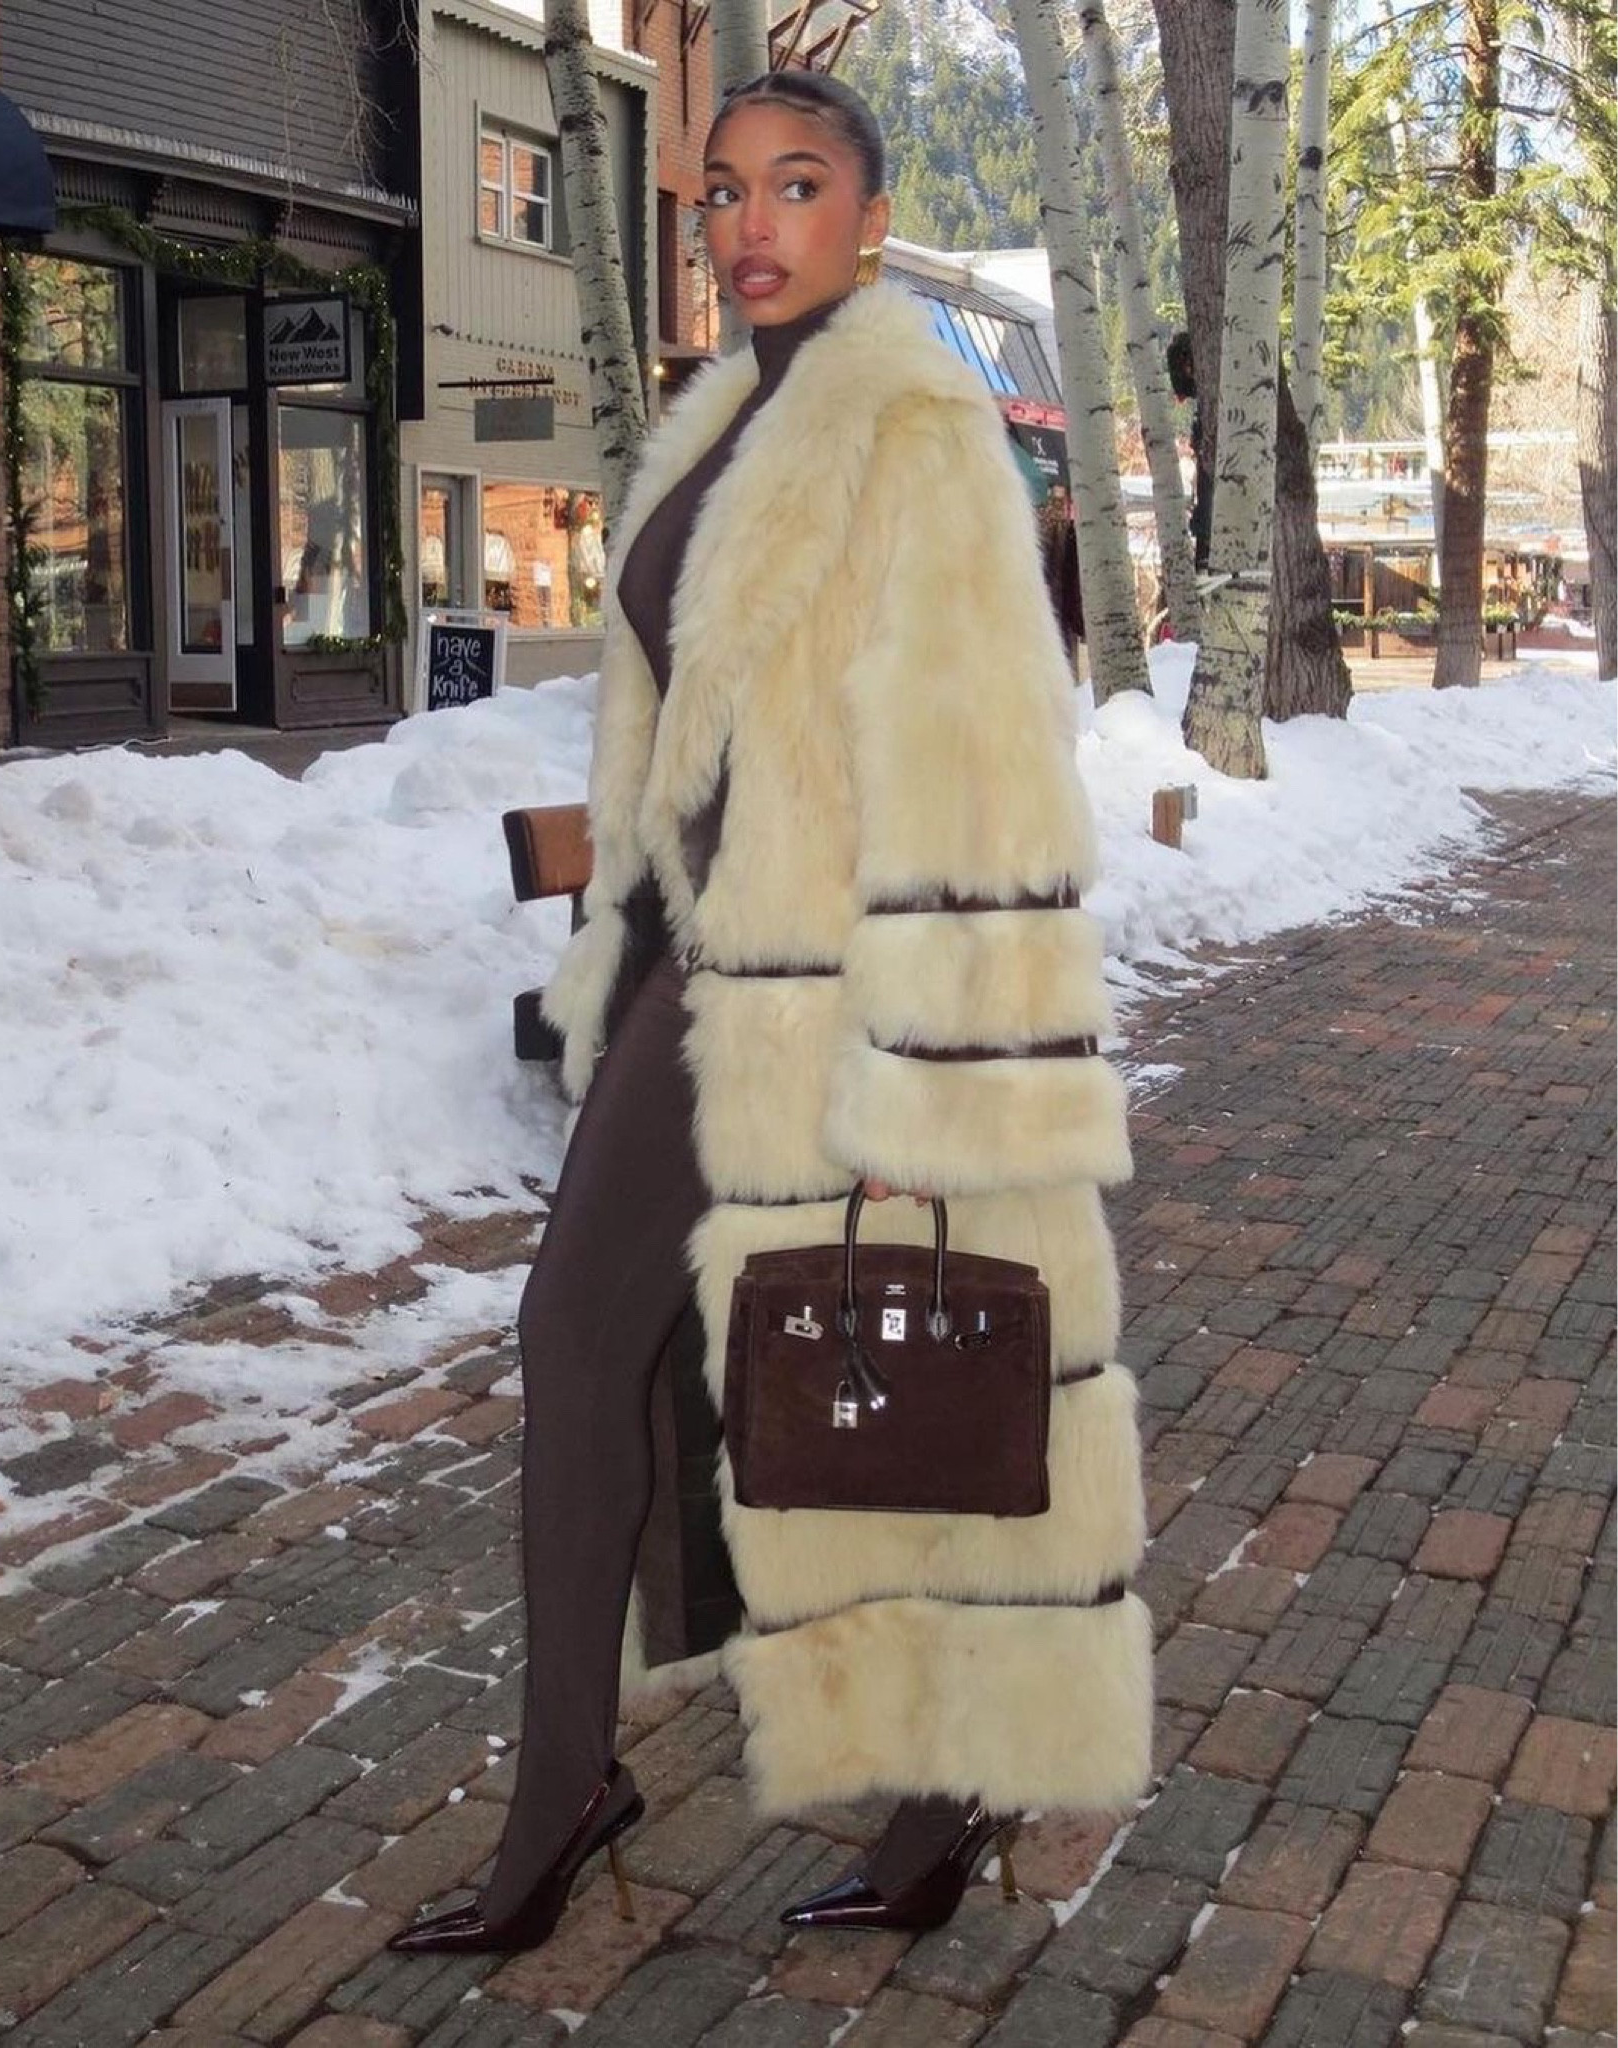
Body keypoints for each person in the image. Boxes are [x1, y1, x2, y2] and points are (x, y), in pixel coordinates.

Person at [390, 69, 1150, 1959]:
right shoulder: (731, 415)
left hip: (822, 1000)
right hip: (686, 968)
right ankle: (645, 1776)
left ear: (870, 217)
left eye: (795, 186)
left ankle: (782, 1784)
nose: (748, 223)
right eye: (724, 189)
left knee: (852, 1388)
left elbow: (985, 785)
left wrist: (937, 1094)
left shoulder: (915, 434)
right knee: (644, 1359)